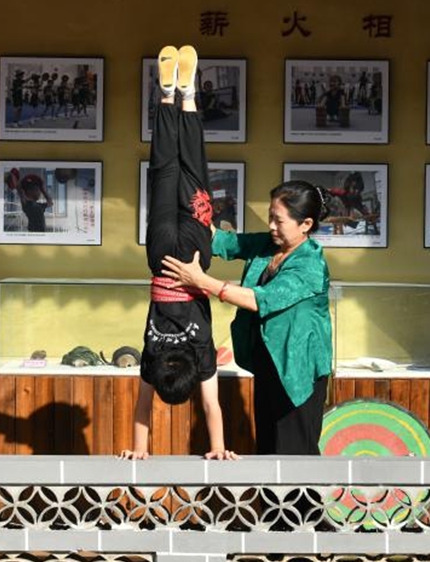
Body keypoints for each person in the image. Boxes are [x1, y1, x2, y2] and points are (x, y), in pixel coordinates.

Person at [161, 181, 333, 455]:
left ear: (306, 224)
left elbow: (259, 299)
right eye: (270, 217)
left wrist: (200, 280)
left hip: (298, 371)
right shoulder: (268, 244)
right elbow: (225, 242)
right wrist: (195, 209)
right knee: (267, 449)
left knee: (295, 456)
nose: (271, 226)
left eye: (279, 221)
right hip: (269, 363)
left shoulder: (310, 264)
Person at [123, 45, 236, 461]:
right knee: (163, 170)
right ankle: (167, 94)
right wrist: (138, 450)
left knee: (193, 168)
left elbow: (211, 406)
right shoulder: (152, 356)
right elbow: (142, 409)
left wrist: (219, 448)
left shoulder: (201, 352)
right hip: (161, 255)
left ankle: (187, 95)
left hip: (193, 254)